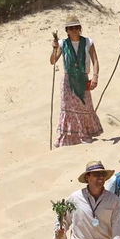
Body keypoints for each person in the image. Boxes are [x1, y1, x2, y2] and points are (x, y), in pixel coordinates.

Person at [51, 19, 102, 147]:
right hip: (68, 79)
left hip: (83, 78)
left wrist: (95, 77)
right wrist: (54, 48)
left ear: (80, 28)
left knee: (84, 106)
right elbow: (53, 61)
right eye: (71, 28)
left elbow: (95, 60)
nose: (74, 30)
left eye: (76, 27)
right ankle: (68, 138)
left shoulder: (88, 42)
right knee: (69, 108)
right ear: (67, 31)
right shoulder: (63, 44)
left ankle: (84, 134)